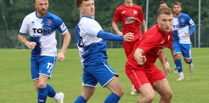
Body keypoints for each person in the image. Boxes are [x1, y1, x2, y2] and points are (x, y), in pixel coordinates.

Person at [74, 0, 134, 103]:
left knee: (86, 94)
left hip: (88, 64)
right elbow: (103, 35)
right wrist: (122, 37)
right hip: (96, 62)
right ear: (81, 9)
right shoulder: (88, 22)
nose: (92, 7)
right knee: (118, 91)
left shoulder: (80, 24)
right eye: (88, 5)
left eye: (92, 4)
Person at [18, 0, 71, 103]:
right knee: (38, 87)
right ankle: (58, 98)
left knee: (42, 84)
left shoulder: (55, 19)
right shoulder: (28, 19)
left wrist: (62, 52)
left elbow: (67, 35)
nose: (43, 7)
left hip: (49, 55)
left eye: (45, 4)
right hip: (35, 55)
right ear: (35, 5)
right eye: (41, 4)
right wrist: (27, 43)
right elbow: (20, 36)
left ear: (48, 5)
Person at [126, 7, 173, 103]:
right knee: (149, 97)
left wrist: (164, 63)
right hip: (135, 67)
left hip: (149, 66)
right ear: (158, 20)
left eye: (170, 20)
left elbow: (160, 48)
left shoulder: (168, 32)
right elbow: (137, 52)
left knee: (168, 94)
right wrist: (139, 58)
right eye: (164, 20)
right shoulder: (153, 36)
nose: (168, 24)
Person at [112, 0, 147, 95]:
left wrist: (145, 34)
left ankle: (136, 86)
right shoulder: (119, 9)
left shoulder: (138, 8)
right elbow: (114, 23)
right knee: (131, 61)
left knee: (135, 59)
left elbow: (143, 21)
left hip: (138, 37)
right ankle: (139, 83)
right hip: (127, 39)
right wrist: (119, 33)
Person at [172, 2, 196, 81]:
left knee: (187, 60)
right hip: (175, 41)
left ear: (180, 8)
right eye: (175, 7)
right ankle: (181, 76)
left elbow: (193, 25)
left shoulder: (186, 17)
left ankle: (190, 62)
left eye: (178, 7)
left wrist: (189, 33)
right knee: (177, 56)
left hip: (185, 41)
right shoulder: (170, 18)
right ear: (173, 9)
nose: (176, 9)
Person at [159, 1, 178, 73]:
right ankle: (166, 63)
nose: (163, 8)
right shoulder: (159, 16)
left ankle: (176, 65)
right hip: (162, 36)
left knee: (173, 52)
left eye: (164, 6)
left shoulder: (171, 15)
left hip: (170, 36)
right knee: (160, 49)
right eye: (161, 7)